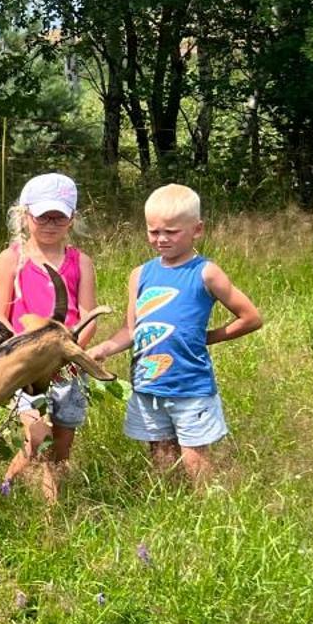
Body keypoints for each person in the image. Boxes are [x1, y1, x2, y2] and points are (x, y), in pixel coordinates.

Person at [85, 183, 263, 483]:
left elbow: (251, 317)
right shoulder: (140, 274)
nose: (161, 239)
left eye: (171, 231)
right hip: (148, 385)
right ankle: (169, 502)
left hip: (189, 385)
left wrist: (210, 336)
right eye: (154, 232)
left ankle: (206, 509)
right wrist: (103, 349)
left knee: (195, 459)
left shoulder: (206, 272)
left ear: (197, 230)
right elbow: (132, 329)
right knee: (160, 455)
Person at [0, 172, 95, 504]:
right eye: (42, 216)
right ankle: (42, 513)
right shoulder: (12, 259)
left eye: (59, 216)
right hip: (25, 370)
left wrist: (70, 352)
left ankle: (22, 493)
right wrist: (24, 357)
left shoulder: (82, 263)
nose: (50, 224)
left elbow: (88, 316)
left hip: (67, 368)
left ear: (71, 219)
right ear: (25, 215)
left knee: (61, 450)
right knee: (38, 439)